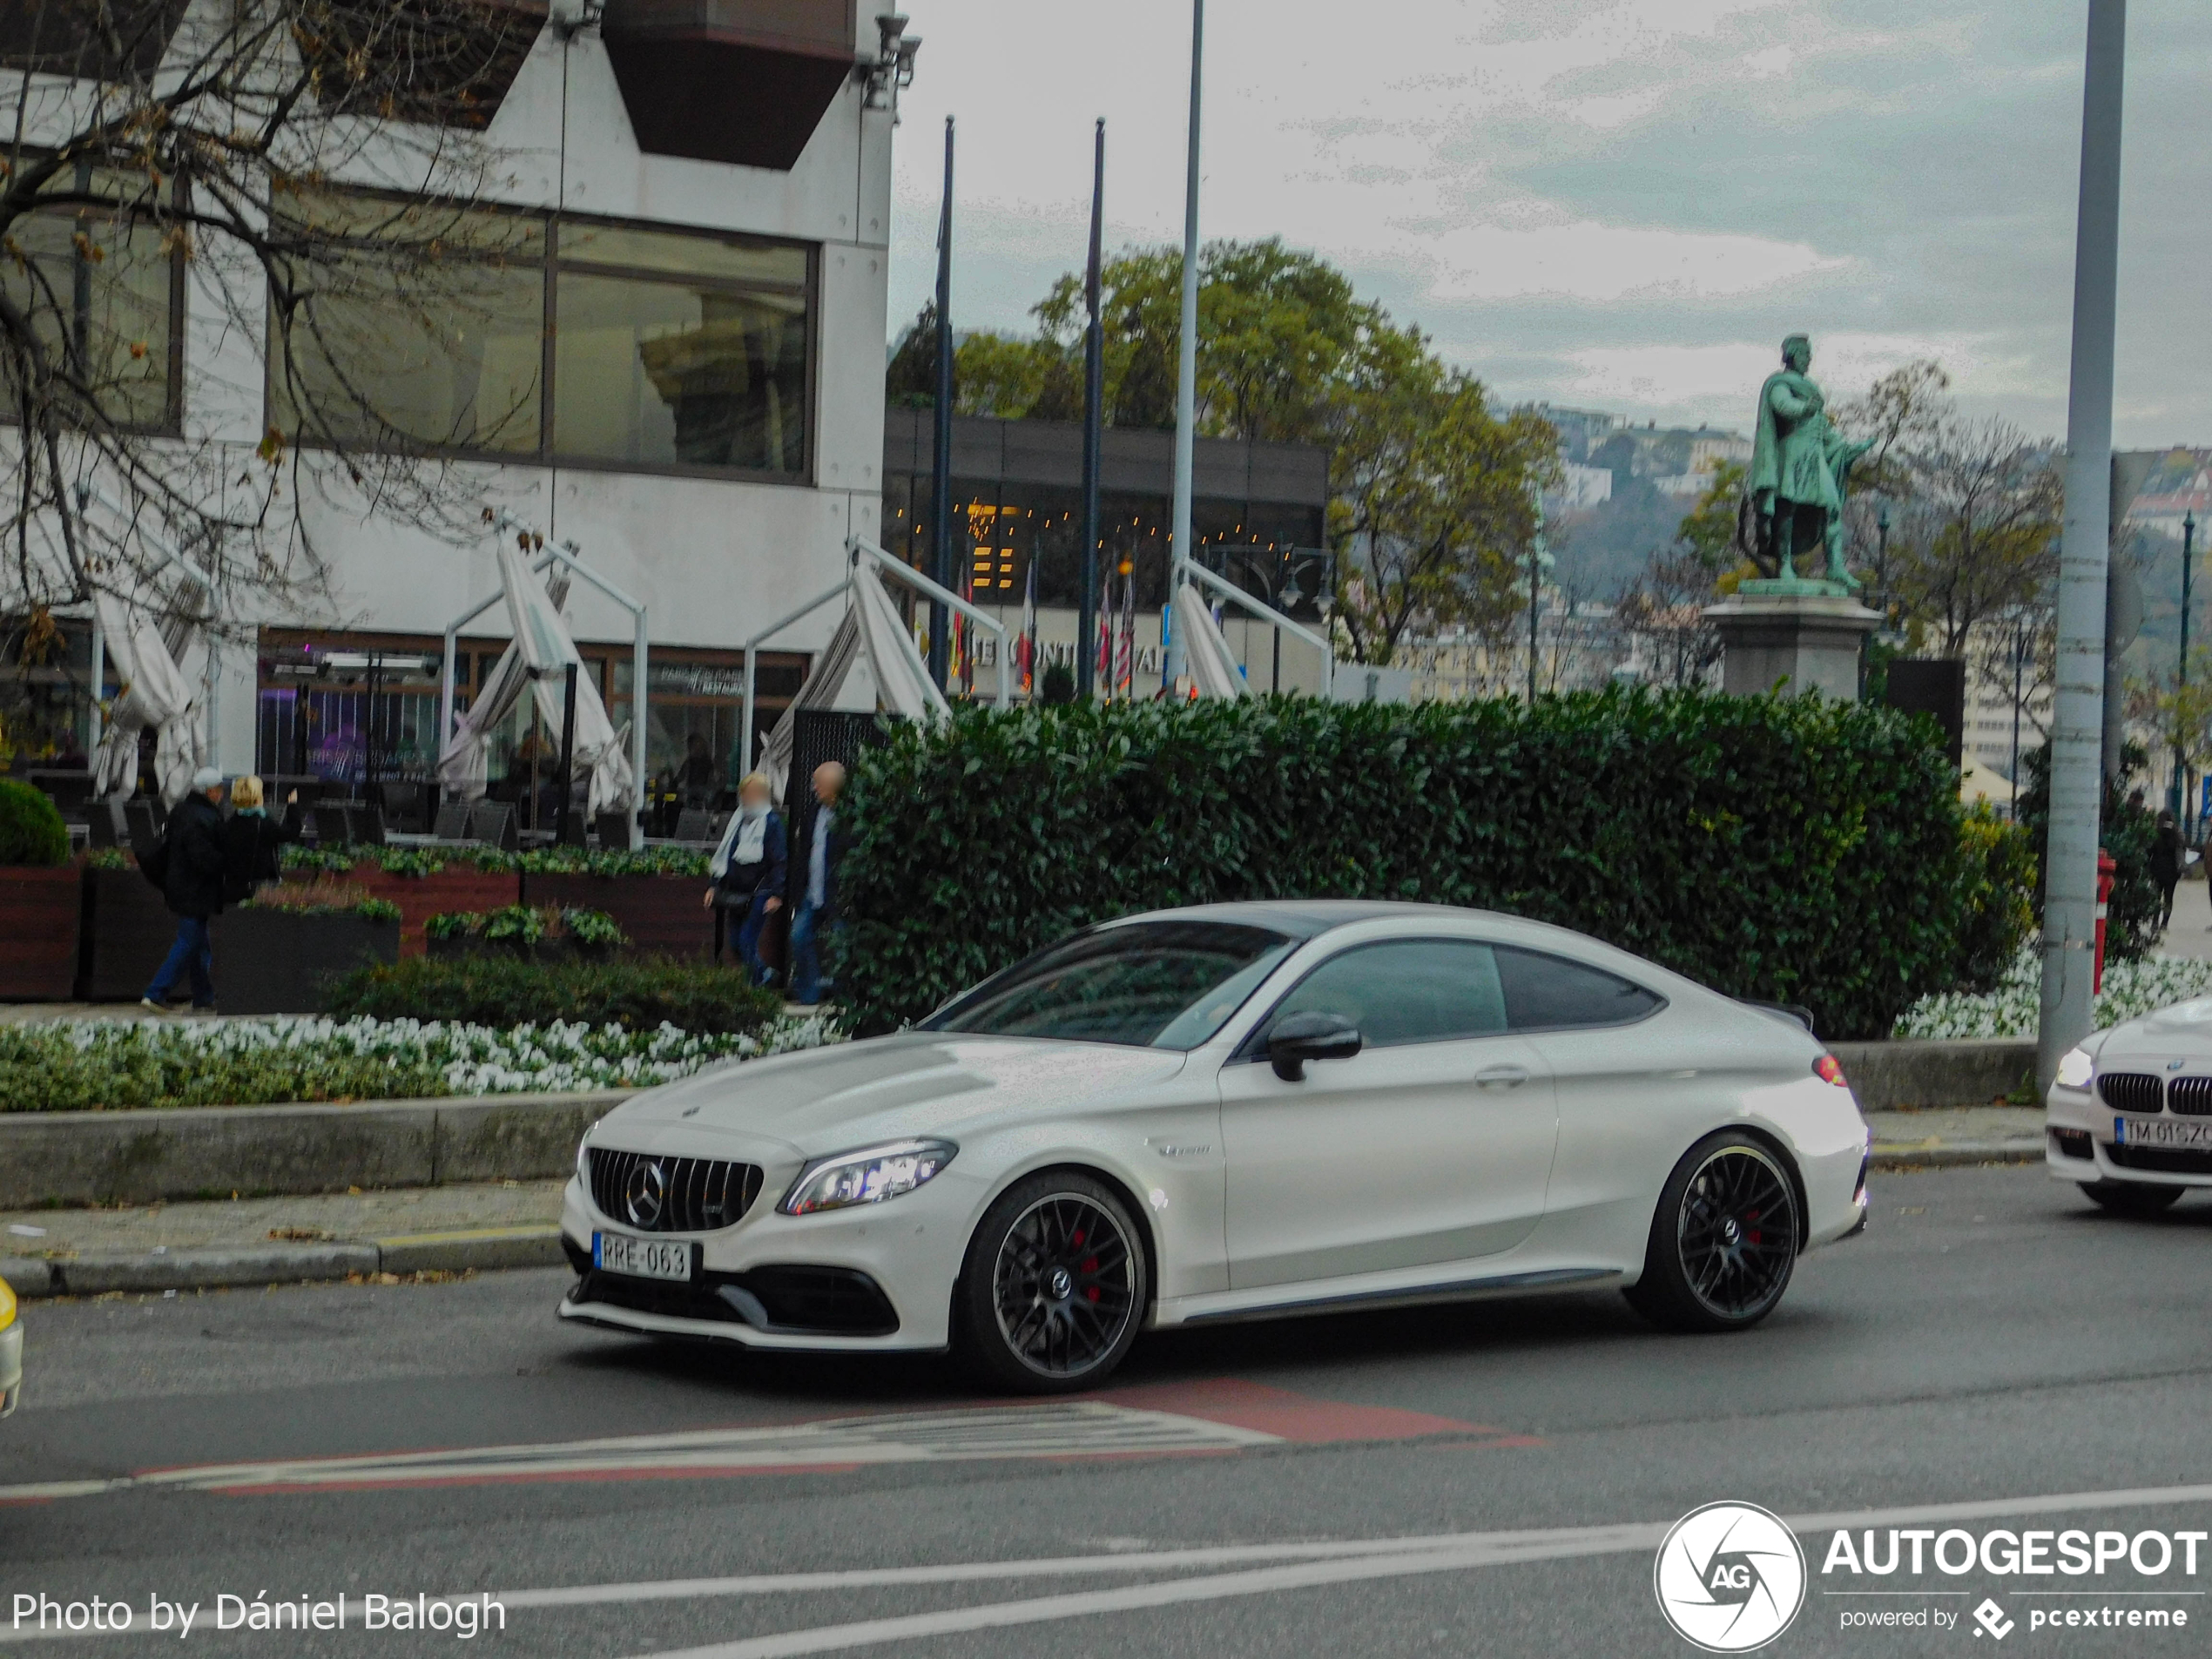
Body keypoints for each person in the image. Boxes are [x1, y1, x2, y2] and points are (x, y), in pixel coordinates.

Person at [140, 767, 230, 1013]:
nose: (222, 794)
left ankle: (204, 997)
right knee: (189, 941)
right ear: (211, 791)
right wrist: (227, 863)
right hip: (195, 890)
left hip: (180, 885)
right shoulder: (204, 817)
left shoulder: (182, 810)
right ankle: (155, 993)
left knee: (200, 943)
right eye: (220, 789)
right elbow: (203, 857)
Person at [703, 772, 786, 985]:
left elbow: (779, 861)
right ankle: (765, 975)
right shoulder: (738, 821)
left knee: (746, 940)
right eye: (745, 793)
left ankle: (754, 987)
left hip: (761, 891)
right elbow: (726, 855)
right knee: (735, 944)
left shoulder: (772, 823)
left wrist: (777, 894)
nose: (747, 797)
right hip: (736, 891)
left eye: (752, 793)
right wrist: (714, 885)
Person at [788, 760, 846, 1007]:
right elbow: (805, 852)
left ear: (834, 787)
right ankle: (809, 993)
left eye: (818, 783)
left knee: (843, 947)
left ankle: (844, 999)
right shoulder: (813, 812)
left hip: (838, 895)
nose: (814, 788)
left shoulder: (849, 816)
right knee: (799, 936)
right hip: (812, 893)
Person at [222, 775, 302, 906]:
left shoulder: (231, 822)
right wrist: (292, 805)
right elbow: (291, 832)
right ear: (257, 797)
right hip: (258, 888)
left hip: (232, 888)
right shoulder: (263, 823)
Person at [2151, 809, 2185, 934]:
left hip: (2157, 869)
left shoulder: (2156, 831)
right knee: (2168, 898)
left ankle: (2154, 923)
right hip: (2172, 871)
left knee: (2156, 896)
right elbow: (2182, 846)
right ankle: (2164, 924)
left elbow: (2150, 849)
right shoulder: (2176, 832)